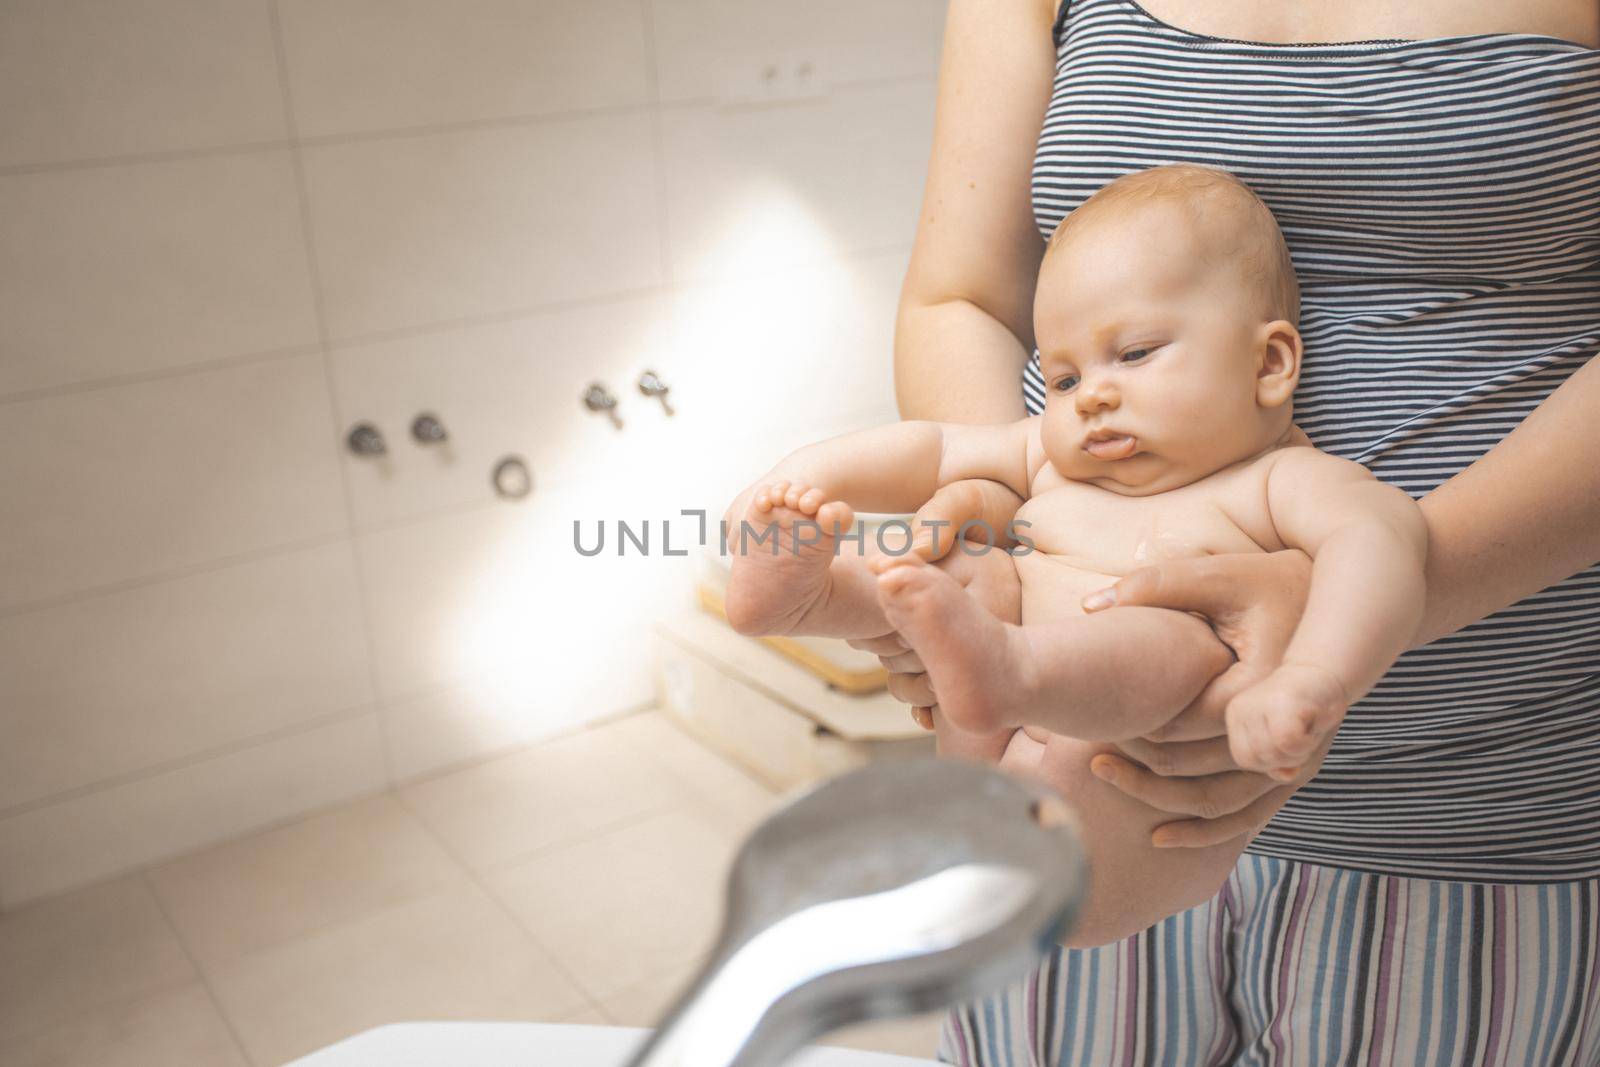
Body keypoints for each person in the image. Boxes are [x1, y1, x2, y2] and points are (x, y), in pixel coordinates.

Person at [872, 0, 1600, 1061]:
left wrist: (1358, 609)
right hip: (1078, 773)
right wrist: (1023, 544)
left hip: (1468, 795)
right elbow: (962, 295)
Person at [723, 162, 1432, 942]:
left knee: (1177, 636)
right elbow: (936, 448)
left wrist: (1312, 674)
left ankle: (1014, 669)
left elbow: (1382, 542)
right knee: (969, 565)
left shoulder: (1277, 481)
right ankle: (818, 597)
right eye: (1061, 378)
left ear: (1268, 365)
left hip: (1117, 817)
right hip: (984, 784)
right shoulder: (1054, 460)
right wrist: (809, 475)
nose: (1091, 394)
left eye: (1133, 353)